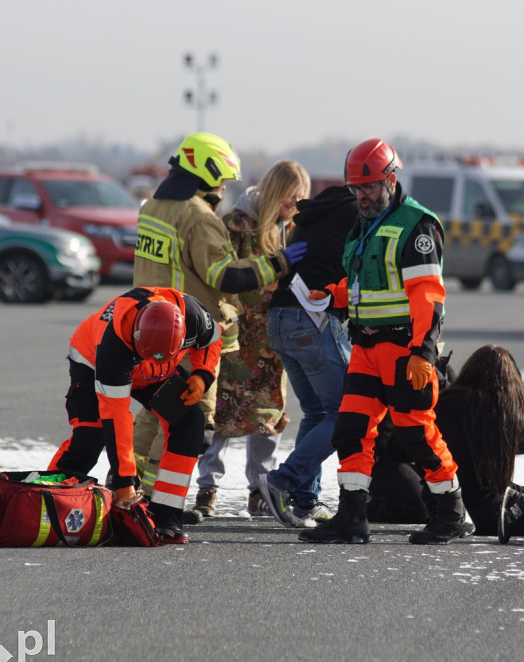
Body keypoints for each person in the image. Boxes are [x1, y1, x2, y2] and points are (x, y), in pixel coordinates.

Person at [297, 138, 474, 545]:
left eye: (369, 187)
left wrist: (422, 352)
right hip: (366, 348)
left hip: (403, 350)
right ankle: (352, 516)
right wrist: (334, 295)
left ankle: (451, 512)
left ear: (391, 180)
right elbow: (367, 284)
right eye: (356, 189)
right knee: (350, 431)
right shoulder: (364, 225)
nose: (361, 196)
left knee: (416, 433)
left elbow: (428, 296)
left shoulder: (416, 225)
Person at [130, 133, 307, 520]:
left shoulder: (153, 207)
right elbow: (225, 276)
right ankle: (160, 504)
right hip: (190, 335)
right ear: (206, 171)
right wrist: (279, 263)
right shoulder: (199, 218)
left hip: (150, 326)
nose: (225, 187)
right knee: (187, 422)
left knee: (153, 412)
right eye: (223, 178)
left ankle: (128, 488)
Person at [47, 286, 221, 544]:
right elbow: (116, 418)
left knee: (190, 420)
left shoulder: (193, 317)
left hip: (155, 372)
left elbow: (213, 338)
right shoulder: (113, 346)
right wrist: (124, 483)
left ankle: (166, 515)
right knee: (90, 437)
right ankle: (48, 502)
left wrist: (202, 374)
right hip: (91, 361)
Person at [199, 160, 311, 517]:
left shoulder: (292, 228)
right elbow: (224, 276)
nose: (295, 204)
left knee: (268, 414)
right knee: (221, 412)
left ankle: (260, 488)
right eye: (290, 196)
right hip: (236, 334)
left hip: (272, 338)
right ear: (274, 192)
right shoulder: (237, 223)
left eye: (301, 197)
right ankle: (207, 487)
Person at [366, 345, 524, 534]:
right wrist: (522, 398)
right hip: (382, 453)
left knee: (422, 497)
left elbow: (402, 448)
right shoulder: (503, 419)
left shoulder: (445, 398)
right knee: (415, 506)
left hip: (424, 467)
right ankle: (360, 506)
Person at [257, 184, 357, 528]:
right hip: (311, 320)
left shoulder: (314, 214)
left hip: (280, 319)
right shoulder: (356, 214)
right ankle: (283, 481)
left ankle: (304, 502)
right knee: (346, 412)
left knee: (317, 412)